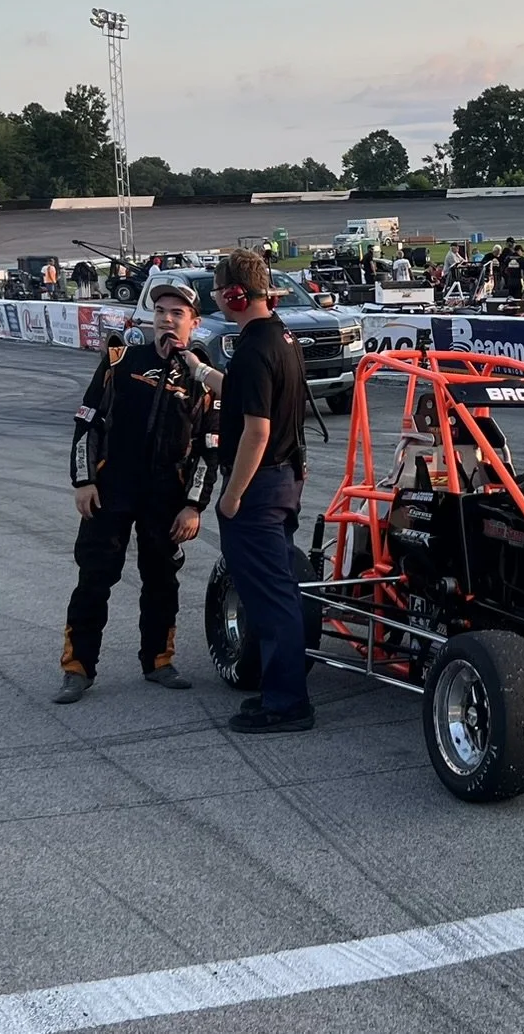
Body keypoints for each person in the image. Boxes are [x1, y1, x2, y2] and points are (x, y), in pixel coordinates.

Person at [57, 278, 218, 704]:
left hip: (167, 495)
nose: (167, 319)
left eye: (177, 314)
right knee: (94, 577)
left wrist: (193, 505)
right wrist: (84, 480)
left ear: (193, 323)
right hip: (112, 488)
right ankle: (77, 668)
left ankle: (159, 661)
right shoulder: (120, 358)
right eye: (161, 312)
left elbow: (209, 449)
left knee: (162, 580)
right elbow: (86, 421)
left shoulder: (204, 378)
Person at [207, 248, 314, 733]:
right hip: (285, 478)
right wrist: (203, 373)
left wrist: (231, 495)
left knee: (271, 600)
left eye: (217, 290)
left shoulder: (251, 349)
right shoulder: (285, 339)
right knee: (277, 591)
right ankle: (277, 690)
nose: (214, 298)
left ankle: (288, 704)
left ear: (234, 295)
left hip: (258, 486)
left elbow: (257, 430)